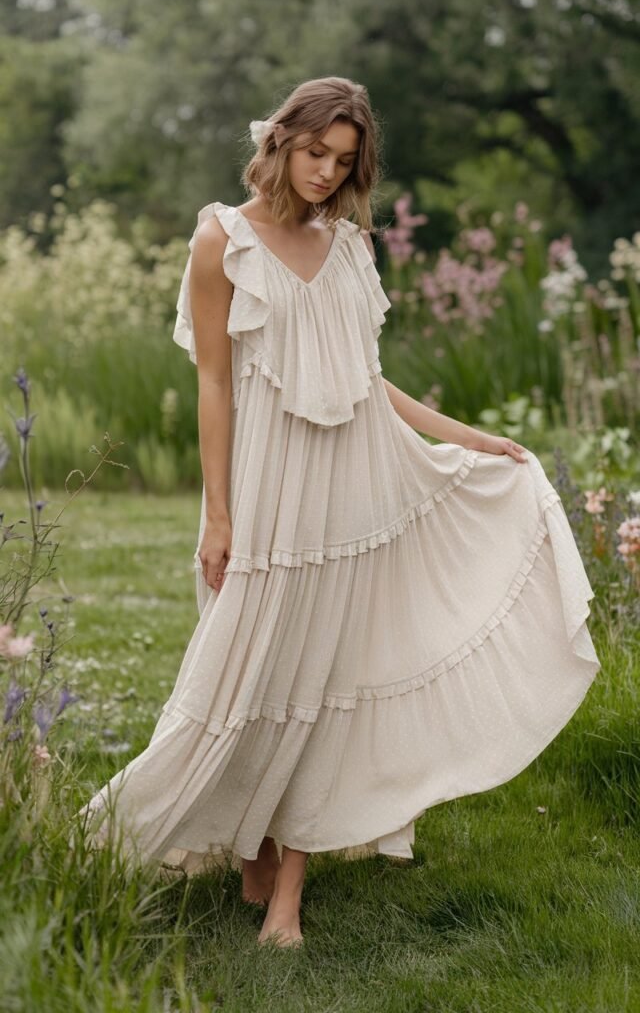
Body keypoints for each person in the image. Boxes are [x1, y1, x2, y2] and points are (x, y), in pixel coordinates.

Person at [77, 76, 601, 949]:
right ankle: (211, 847)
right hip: (267, 491)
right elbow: (212, 382)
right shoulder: (222, 240)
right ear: (281, 138)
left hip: (353, 488)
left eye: (344, 161)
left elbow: (366, 379)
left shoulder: (352, 247)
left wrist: (472, 437)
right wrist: (218, 515)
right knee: (245, 678)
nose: (325, 172)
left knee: (323, 683)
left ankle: (286, 902)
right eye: (316, 151)